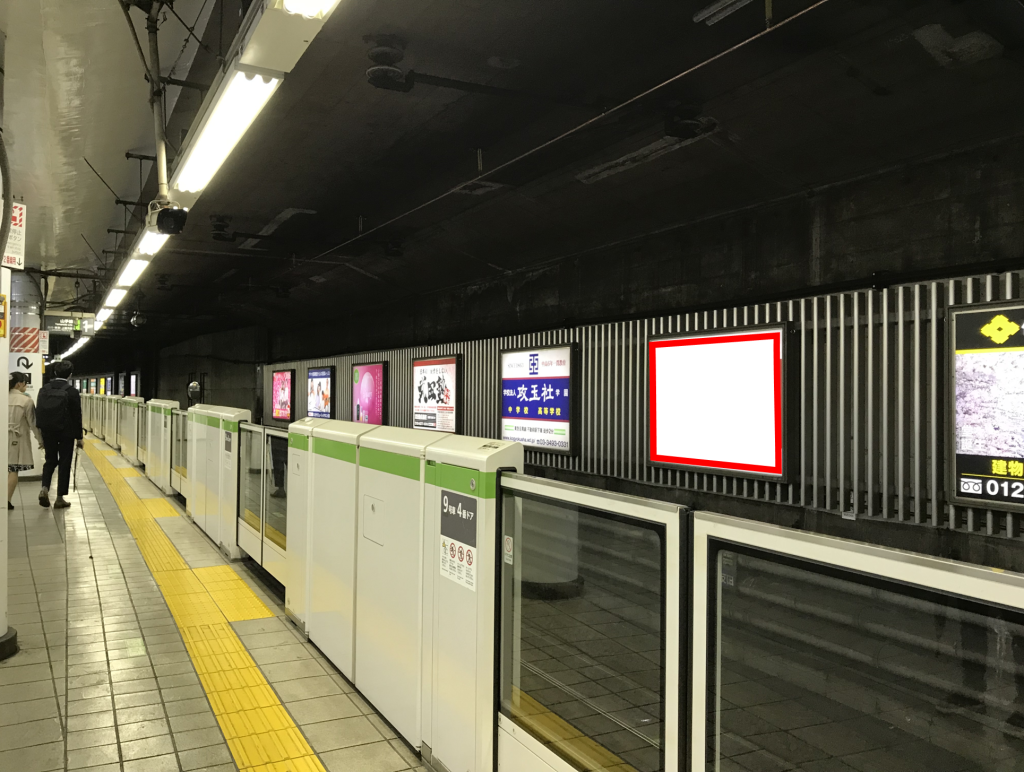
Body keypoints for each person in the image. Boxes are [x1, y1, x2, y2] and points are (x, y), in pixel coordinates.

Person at [36, 359, 83, 509]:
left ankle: (44, 488)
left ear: (55, 372)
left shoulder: (44, 389)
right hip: (66, 433)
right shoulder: (72, 391)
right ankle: (59, 498)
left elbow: (39, 410)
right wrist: (79, 437)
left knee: (50, 460)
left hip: (48, 431)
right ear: (70, 375)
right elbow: (77, 416)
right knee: (64, 462)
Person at [8, 372, 43, 510]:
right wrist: (41, 441)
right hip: (15, 439)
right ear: (19, 384)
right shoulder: (26, 401)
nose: (26, 386)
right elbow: (33, 424)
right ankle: (6, 500)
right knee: (12, 470)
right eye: (25, 383)